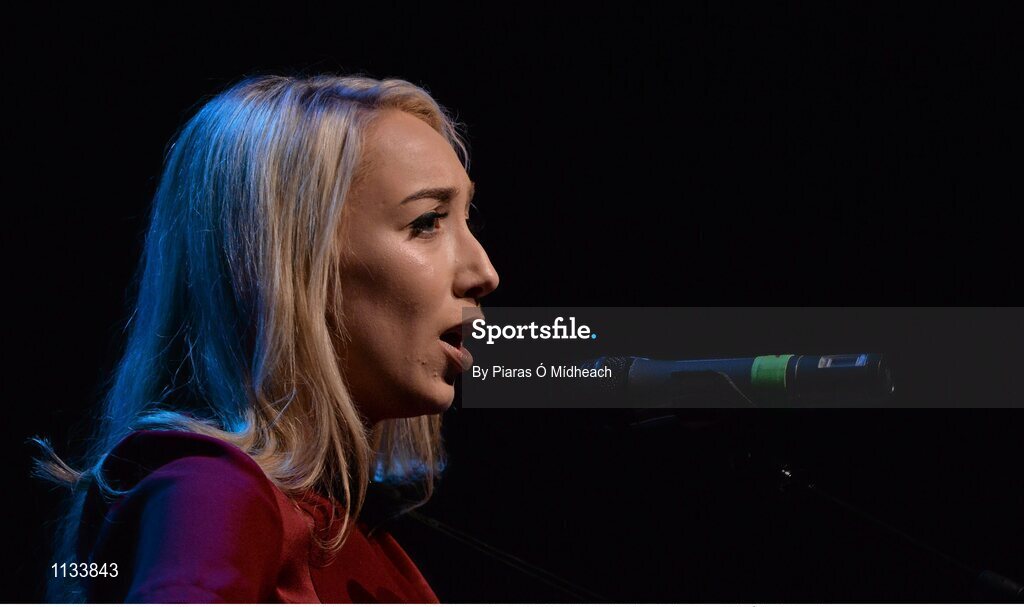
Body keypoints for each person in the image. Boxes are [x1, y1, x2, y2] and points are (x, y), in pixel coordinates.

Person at [32, 73, 500, 603]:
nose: (484, 271)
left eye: (467, 218)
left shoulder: (348, 534)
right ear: (291, 265)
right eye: (427, 222)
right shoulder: (208, 493)